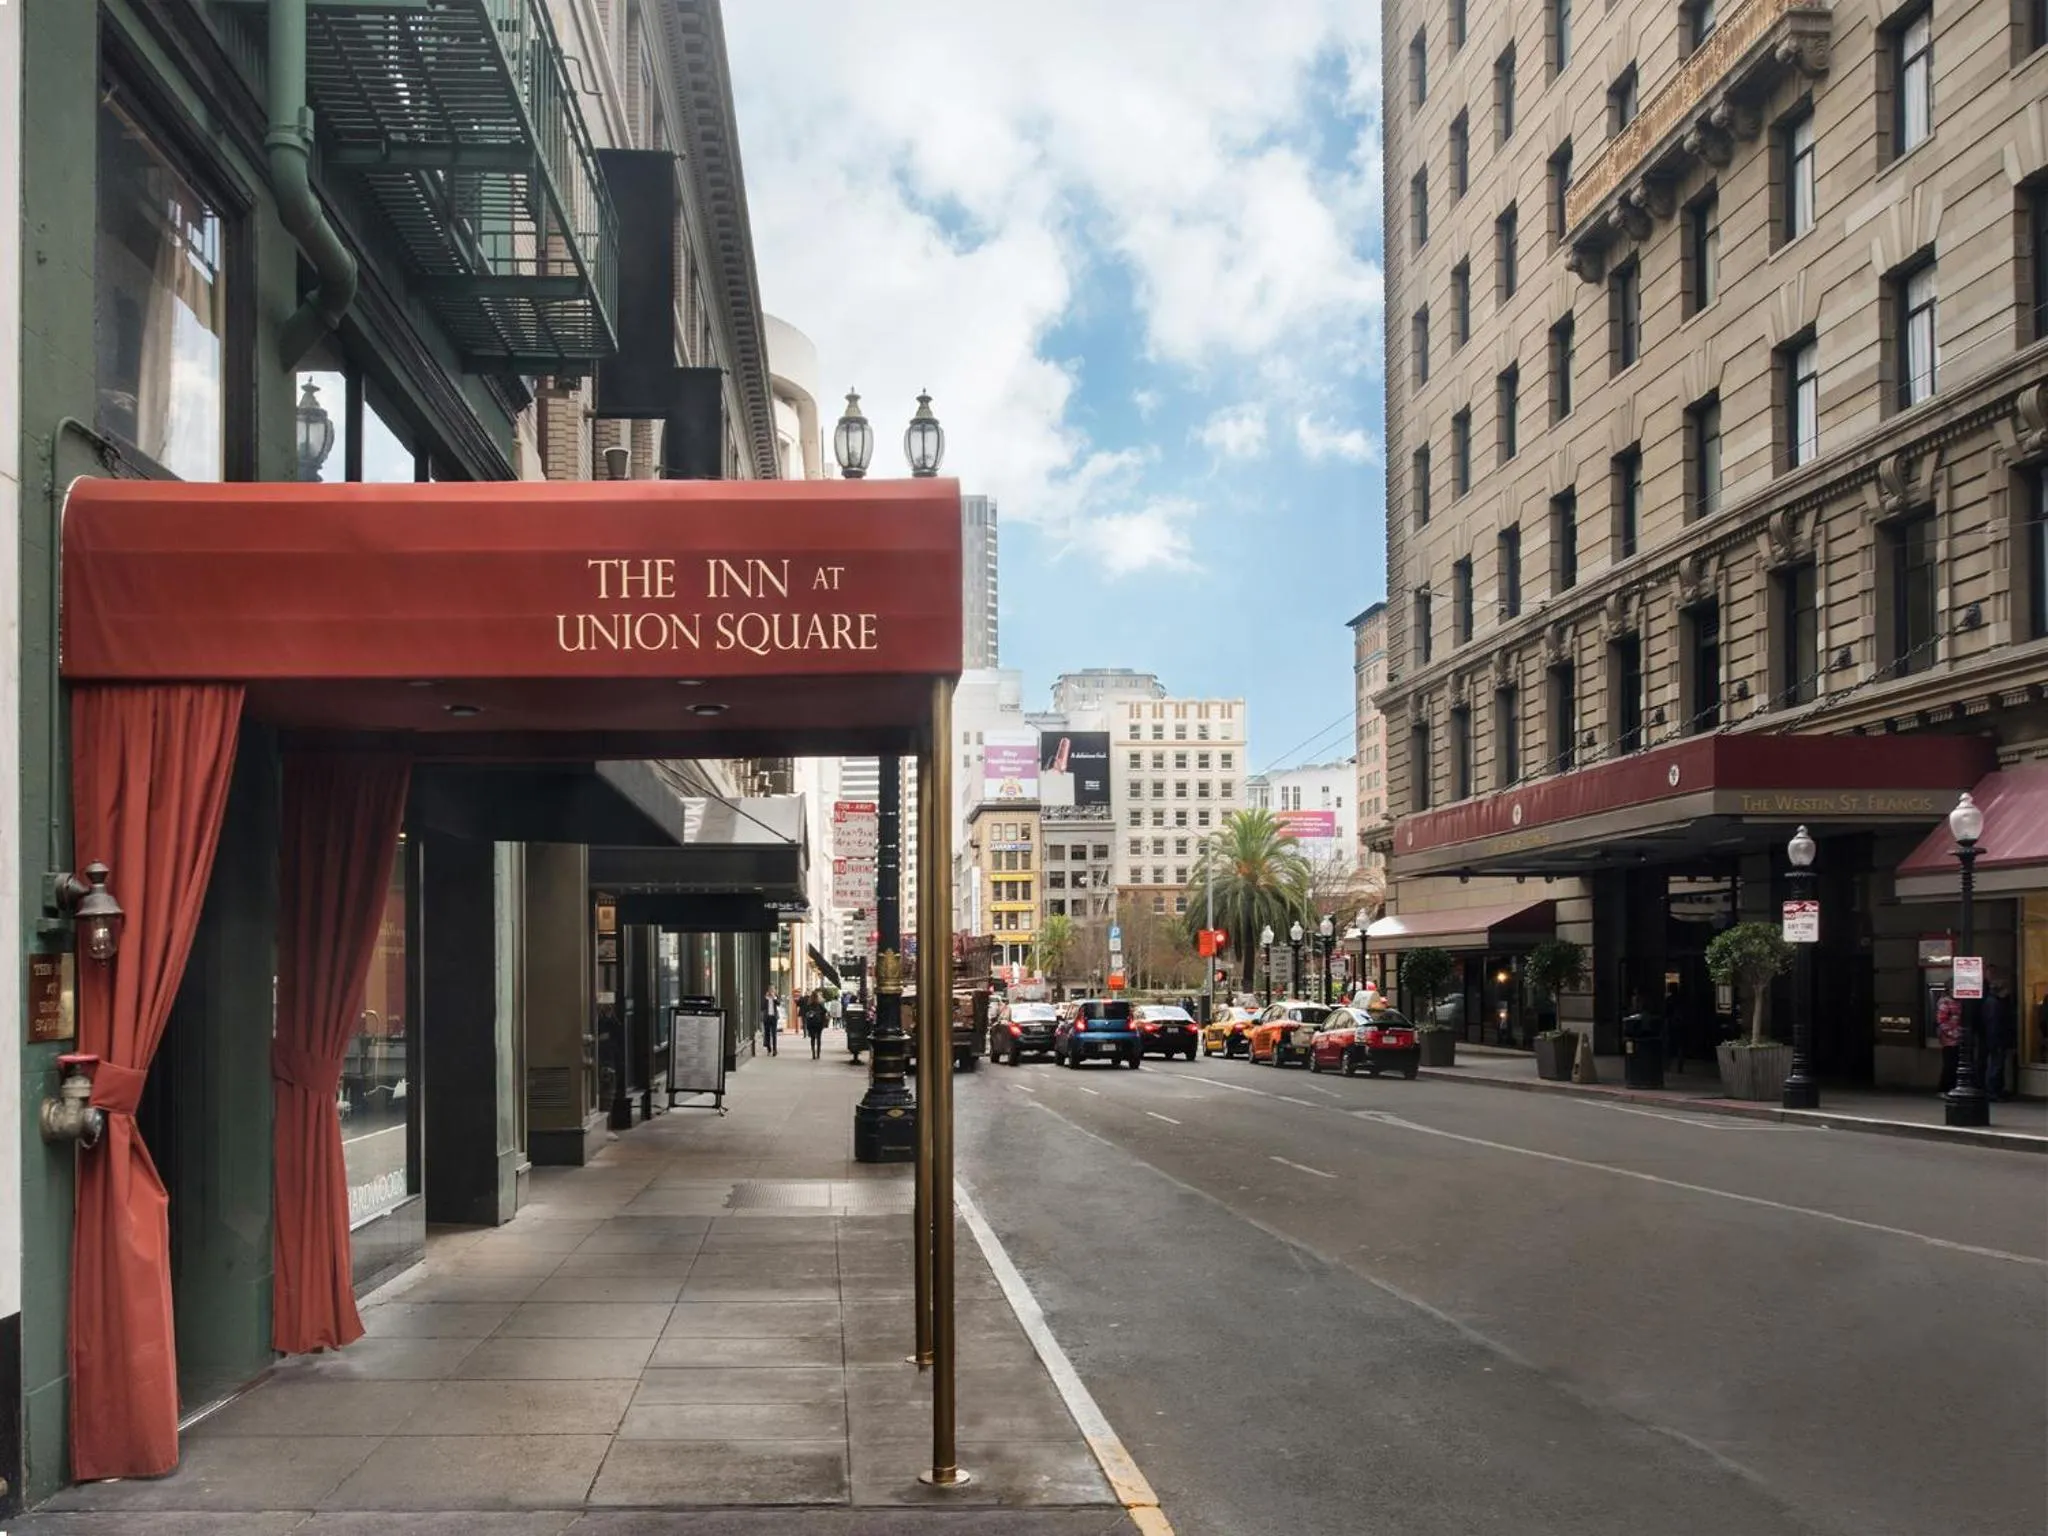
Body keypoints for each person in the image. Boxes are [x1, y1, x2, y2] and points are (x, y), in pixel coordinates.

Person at [1983, 972, 2015, 1100]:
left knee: (1996, 1064)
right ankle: (1993, 1090)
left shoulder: (1994, 1002)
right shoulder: (1994, 1004)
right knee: (1996, 1065)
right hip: (1996, 1038)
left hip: (1995, 1038)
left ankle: (1996, 1089)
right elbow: (1994, 1023)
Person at [802, 990, 830, 1060]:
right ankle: (818, 1054)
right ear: (817, 997)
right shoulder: (819, 1004)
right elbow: (825, 1011)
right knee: (819, 1038)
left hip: (811, 1023)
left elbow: (805, 1013)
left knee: (812, 1038)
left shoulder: (809, 1005)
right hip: (819, 1023)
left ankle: (813, 1054)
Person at [760, 989, 779, 1056]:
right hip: (767, 1018)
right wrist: (766, 998)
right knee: (767, 1034)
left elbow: (778, 1003)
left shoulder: (775, 998)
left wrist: (774, 997)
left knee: (774, 1034)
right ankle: (769, 1048)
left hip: (774, 1018)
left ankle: (775, 1050)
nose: (771, 993)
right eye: (770, 992)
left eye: (772, 992)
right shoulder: (765, 999)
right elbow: (762, 1007)